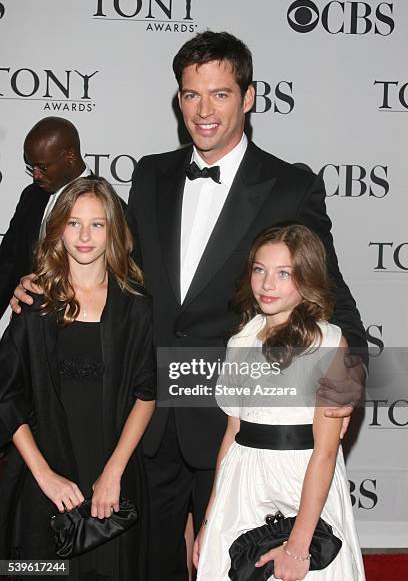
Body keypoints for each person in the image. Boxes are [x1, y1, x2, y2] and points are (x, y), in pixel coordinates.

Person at [12, 31, 366, 580]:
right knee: (147, 565)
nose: (203, 111)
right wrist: (41, 284)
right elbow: (111, 263)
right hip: (144, 416)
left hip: (231, 426)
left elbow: (333, 295)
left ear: (249, 97)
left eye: (220, 94)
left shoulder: (289, 186)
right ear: (178, 99)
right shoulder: (152, 172)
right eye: (191, 95)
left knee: (229, 565)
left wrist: (349, 376)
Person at [0, 177, 156, 580]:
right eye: (73, 223)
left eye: (97, 224)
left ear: (113, 232)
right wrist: (44, 476)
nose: (85, 236)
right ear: (58, 230)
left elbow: (146, 394)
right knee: (37, 572)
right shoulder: (34, 303)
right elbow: (7, 397)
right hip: (43, 480)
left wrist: (113, 472)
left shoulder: (135, 306)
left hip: (112, 479)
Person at [194, 224, 365, 581]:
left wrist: (298, 546)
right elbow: (232, 433)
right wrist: (209, 519)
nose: (267, 284)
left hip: (301, 479)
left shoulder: (329, 343)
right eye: (260, 270)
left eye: (283, 274)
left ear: (307, 279)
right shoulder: (242, 339)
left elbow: (326, 452)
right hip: (240, 484)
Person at [0, 116, 92, 318]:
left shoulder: (106, 205)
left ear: (70, 155)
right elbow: (8, 262)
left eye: (42, 167)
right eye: (31, 167)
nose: (35, 175)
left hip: (77, 327)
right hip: (25, 327)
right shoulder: (32, 196)